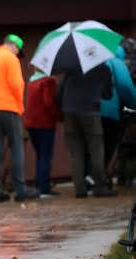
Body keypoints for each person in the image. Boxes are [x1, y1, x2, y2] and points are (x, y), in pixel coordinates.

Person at [0, 34, 36, 203]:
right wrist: (19, 106)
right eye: (18, 50)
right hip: (9, 109)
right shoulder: (11, 59)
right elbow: (17, 85)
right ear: (14, 46)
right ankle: (20, 190)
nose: (18, 54)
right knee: (16, 147)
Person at [58, 63, 115, 197]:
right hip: (90, 110)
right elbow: (108, 95)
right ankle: (99, 187)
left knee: (75, 151)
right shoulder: (103, 68)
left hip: (69, 111)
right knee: (96, 149)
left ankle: (80, 189)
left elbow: (59, 92)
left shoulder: (71, 67)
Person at [101, 46, 136, 182]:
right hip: (110, 111)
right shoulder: (116, 63)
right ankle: (105, 178)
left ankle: (92, 178)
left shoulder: (94, 62)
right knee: (111, 145)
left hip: (89, 110)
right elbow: (125, 86)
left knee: (93, 147)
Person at [23, 69, 61, 198]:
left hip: (31, 123)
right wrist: (59, 116)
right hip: (44, 123)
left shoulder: (31, 82)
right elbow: (49, 102)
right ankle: (44, 188)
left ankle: (40, 186)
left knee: (40, 155)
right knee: (45, 155)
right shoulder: (47, 81)